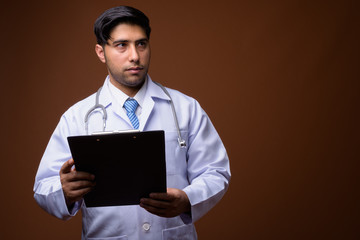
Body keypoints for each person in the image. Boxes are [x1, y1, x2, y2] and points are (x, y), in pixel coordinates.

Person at [34, 6, 230, 240]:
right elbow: (43, 187)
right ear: (100, 52)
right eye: (121, 45)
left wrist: (188, 199)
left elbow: (216, 172)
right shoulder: (77, 116)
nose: (135, 56)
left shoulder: (185, 108)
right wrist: (64, 192)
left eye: (141, 44)